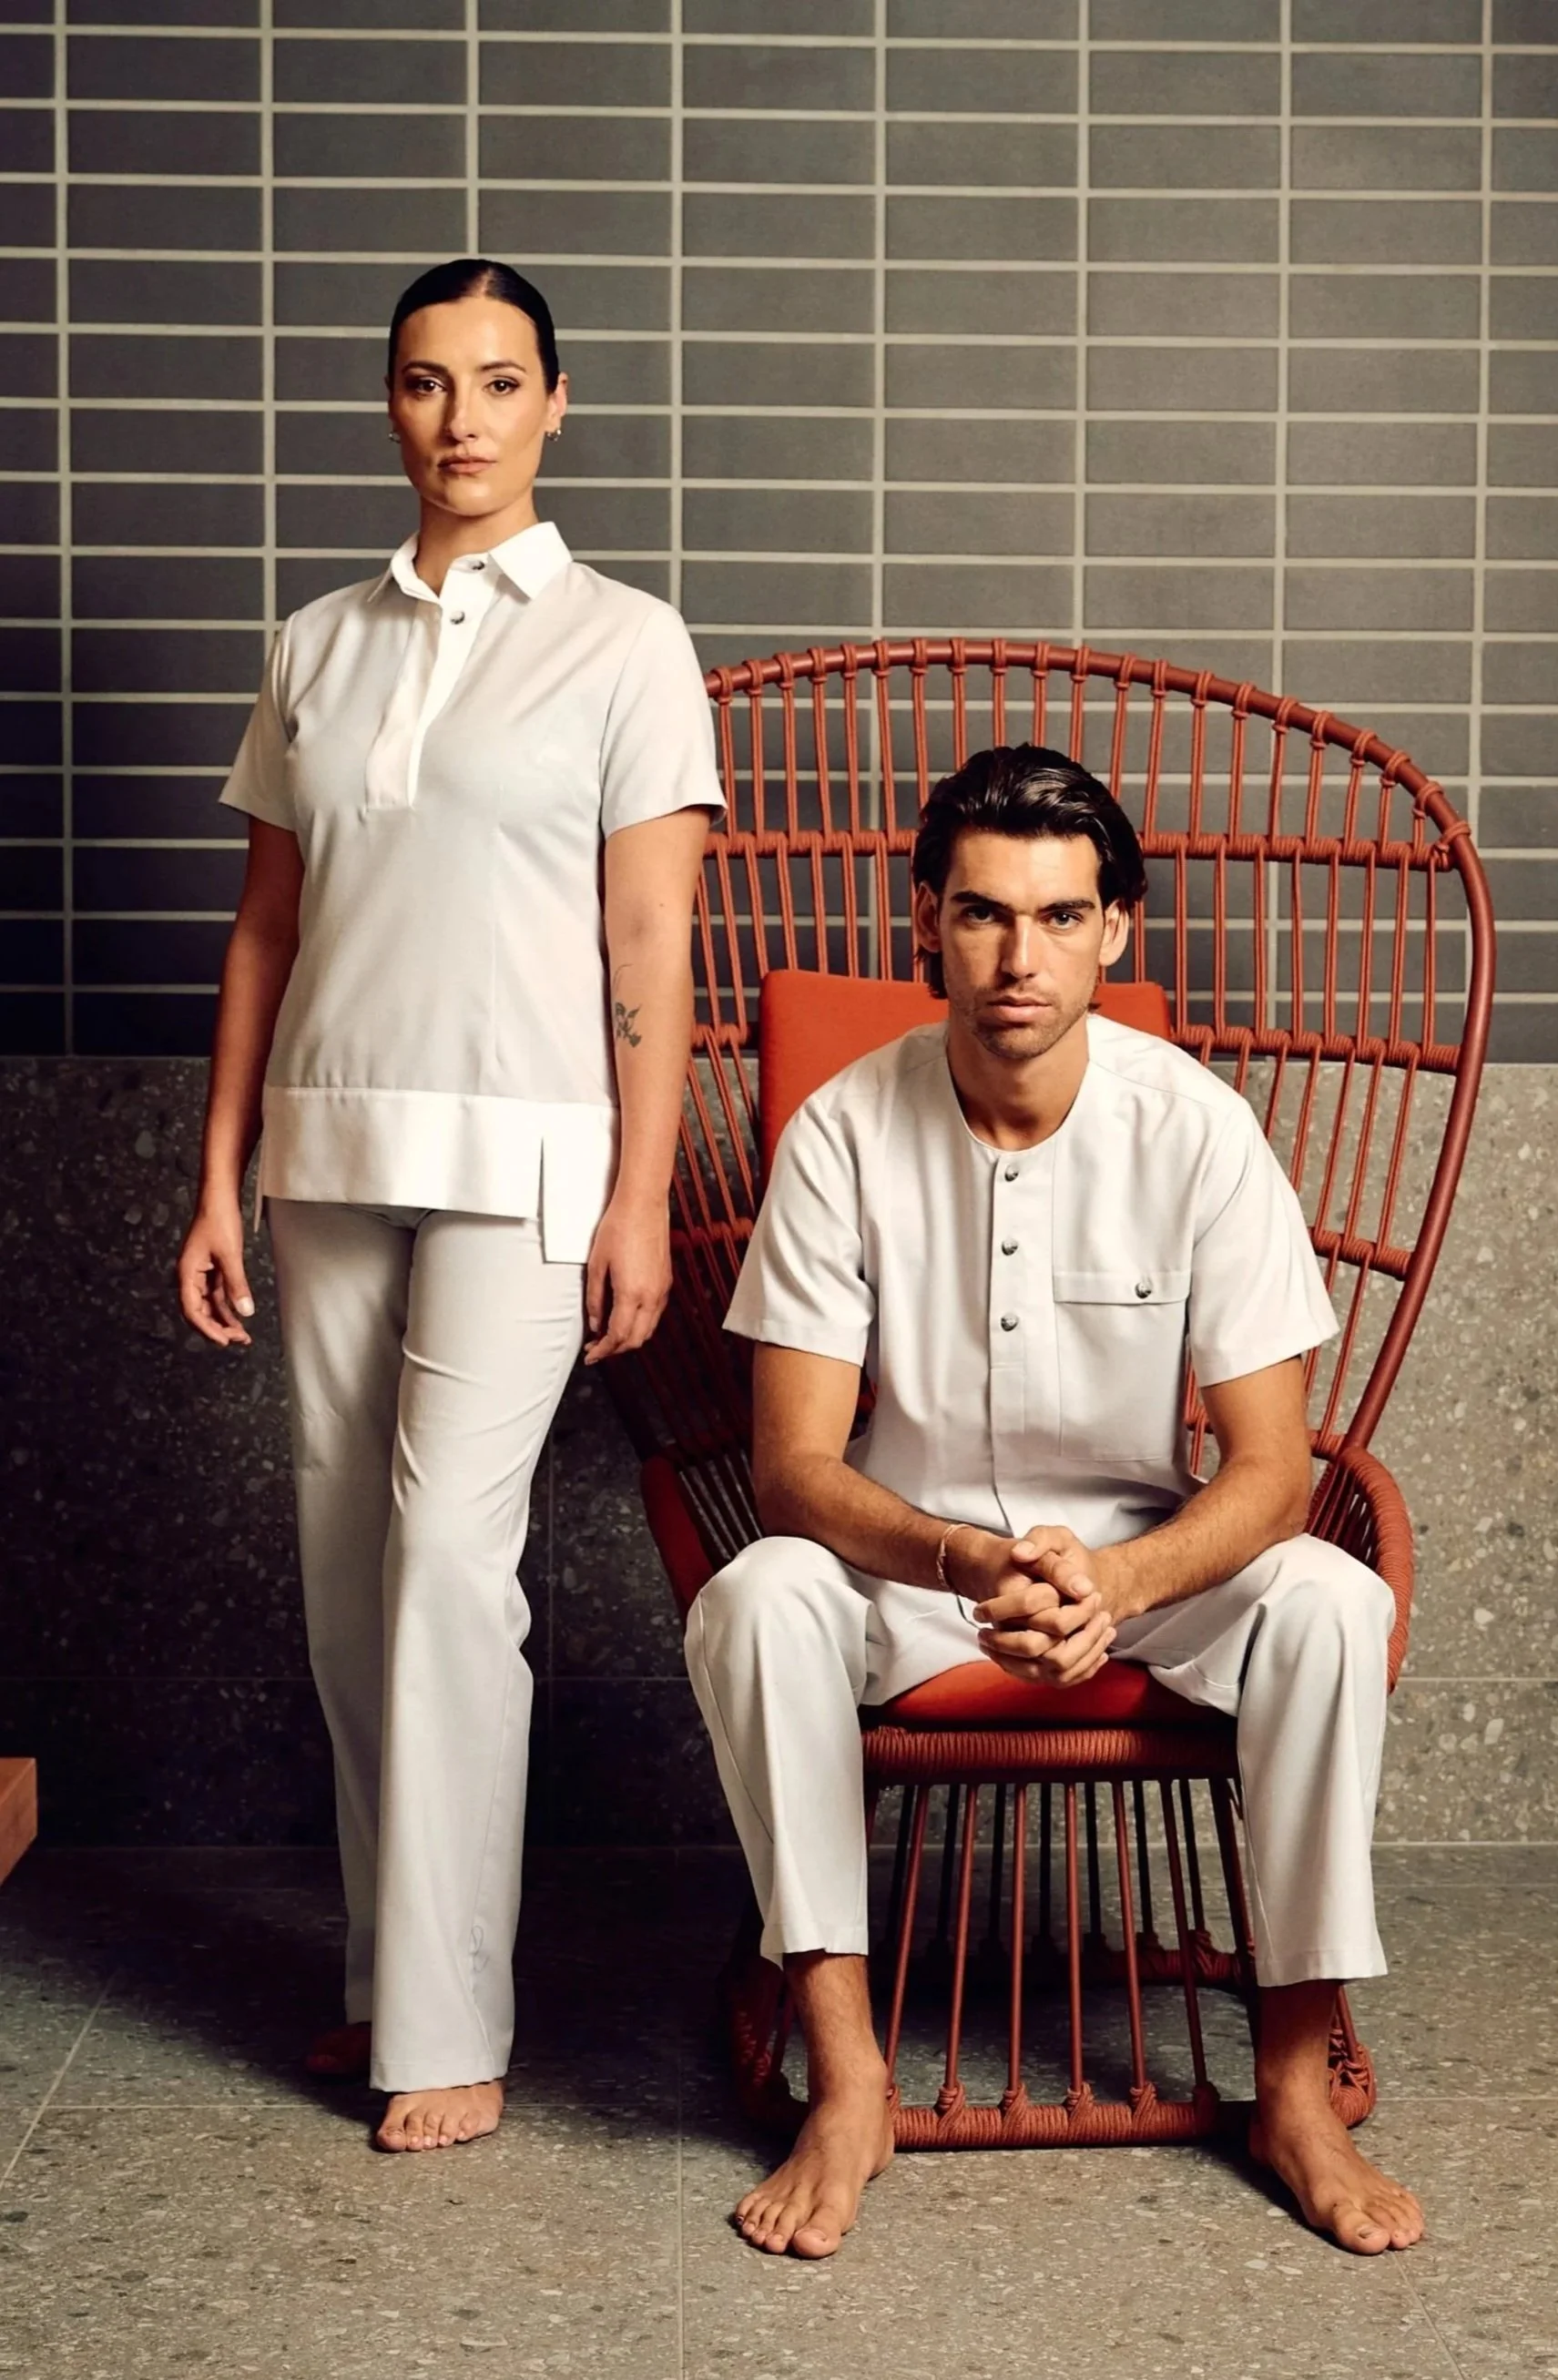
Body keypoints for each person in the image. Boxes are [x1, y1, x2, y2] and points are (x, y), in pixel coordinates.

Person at [686, 744, 1426, 2262]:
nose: (1018, 956)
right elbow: (794, 1469)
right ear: (925, 921)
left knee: (1332, 1600)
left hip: (1147, 1560)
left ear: (1115, 929)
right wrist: (960, 1553)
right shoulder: (839, 1131)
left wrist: (1121, 1579)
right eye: (980, 913)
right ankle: (847, 2074)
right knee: (754, 1591)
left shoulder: (1198, 1130)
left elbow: (1273, 1468)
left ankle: (1291, 2076)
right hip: (903, 1557)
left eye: (1056, 914)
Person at [177, 257, 722, 2154]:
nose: (461, 417)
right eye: (425, 382)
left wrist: (638, 1196)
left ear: (554, 403)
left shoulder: (625, 643)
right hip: (325, 1153)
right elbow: (267, 922)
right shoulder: (317, 641)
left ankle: (452, 2021)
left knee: (443, 1571)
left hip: (527, 1161)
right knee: (346, 1586)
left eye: (498, 381)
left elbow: (649, 933)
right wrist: (218, 1170)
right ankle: (378, 1977)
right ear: (389, 405)